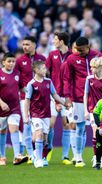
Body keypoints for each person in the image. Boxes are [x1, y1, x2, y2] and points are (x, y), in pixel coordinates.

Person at [63, 36, 102, 167]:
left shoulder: (98, 56)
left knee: (98, 129)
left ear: (88, 46)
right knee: (79, 127)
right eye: (77, 49)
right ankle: (78, 157)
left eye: (81, 49)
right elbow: (67, 79)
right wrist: (67, 96)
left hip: (97, 99)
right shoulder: (71, 59)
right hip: (79, 98)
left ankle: (96, 157)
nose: (79, 52)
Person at [24, 61, 66, 168]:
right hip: (36, 114)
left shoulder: (48, 81)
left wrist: (64, 103)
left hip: (46, 114)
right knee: (39, 133)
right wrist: (26, 116)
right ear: (36, 70)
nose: (45, 70)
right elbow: (27, 101)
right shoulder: (31, 84)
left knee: (45, 139)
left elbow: (54, 95)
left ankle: (37, 155)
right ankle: (38, 160)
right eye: (43, 68)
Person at [15, 36, 46, 164]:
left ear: (34, 45)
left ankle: (39, 153)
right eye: (23, 44)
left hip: (41, 99)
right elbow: (15, 77)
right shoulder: (19, 60)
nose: (25, 47)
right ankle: (30, 153)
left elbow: (46, 77)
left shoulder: (42, 59)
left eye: (27, 44)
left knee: (42, 129)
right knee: (27, 126)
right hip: (25, 98)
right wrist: (21, 89)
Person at [45, 32, 72, 164]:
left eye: (55, 39)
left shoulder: (72, 55)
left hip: (67, 95)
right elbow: (45, 72)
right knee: (50, 124)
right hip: (53, 94)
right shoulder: (52, 55)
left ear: (61, 41)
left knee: (66, 125)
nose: (54, 41)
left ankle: (65, 156)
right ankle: (48, 148)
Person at [0, 53, 28, 166]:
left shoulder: (17, 73)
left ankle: (17, 156)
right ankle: (2, 156)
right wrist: (1, 103)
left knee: (14, 129)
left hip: (14, 107)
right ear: (3, 62)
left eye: (13, 61)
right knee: (2, 131)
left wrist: (32, 91)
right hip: (1, 108)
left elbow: (22, 87)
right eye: (9, 61)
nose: (11, 63)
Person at [83, 56, 102, 168]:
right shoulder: (89, 79)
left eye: (94, 67)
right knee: (96, 133)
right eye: (91, 67)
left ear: (100, 68)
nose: (92, 69)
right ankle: (96, 158)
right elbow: (86, 95)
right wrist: (85, 110)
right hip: (93, 111)